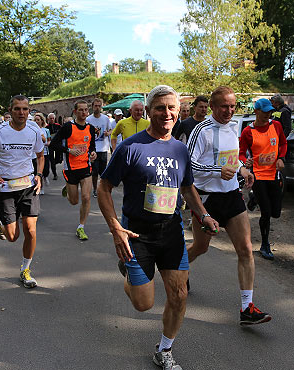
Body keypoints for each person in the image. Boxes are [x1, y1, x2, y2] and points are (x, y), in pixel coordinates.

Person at [98, 85, 219, 370]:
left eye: (171, 108)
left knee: (179, 294)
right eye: (160, 108)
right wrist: (116, 228)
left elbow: (187, 188)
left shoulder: (179, 148)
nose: (166, 113)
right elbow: (104, 188)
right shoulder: (131, 147)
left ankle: (164, 350)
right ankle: (129, 271)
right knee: (143, 304)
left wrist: (203, 215)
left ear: (179, 111)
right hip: (137, 232)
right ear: (149, 111)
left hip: (171, 230)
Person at [187, 86, 271, 325]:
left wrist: (242, 168)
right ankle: (179, 267)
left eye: (232, 106)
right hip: (206, 199)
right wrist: (217, 170)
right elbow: (189, 166)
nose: (229, 110)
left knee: (245, 249)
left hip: (232, 195)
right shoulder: (200, 130)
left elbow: (232, 158)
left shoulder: (234, 125)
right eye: (224, 106)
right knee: (200, 248)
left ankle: (247, 308)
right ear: (212, 106)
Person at [0, 95, 44, 288]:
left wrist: (39, 175)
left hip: (29, 185)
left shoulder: (34, 130)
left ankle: (25, 269)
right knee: (13, 237)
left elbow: (40, 155)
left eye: (25, 109)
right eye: (17, 109)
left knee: (30, 229)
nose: (21, 113)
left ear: (29, 111)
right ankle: (3, 224)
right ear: (10, 110)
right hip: (4, 188)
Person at [239, 99, 287, 260]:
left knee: (276, 213)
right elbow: (241, 152)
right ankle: (265, 244)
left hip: (274, 174)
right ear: (257, 111)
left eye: (270, 111)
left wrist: (281, 157)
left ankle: (253, 199)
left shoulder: (276, 126)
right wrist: (245, 162)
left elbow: (283, 144)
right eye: (265, 111)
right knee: (266, 213)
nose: (268, 114)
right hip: (258, 176)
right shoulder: (248, 132)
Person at [50, 100, 97, 241]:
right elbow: (53, 144)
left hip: (85, 166)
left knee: (86, 197)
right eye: (81, 110)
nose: (84, 113)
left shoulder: (90, 128)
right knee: (74, 201)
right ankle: (68, 188)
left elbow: (91, 146)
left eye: (86, 110)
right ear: (75, 112)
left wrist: (93, 153)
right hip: (70, 169)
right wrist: (69, 150)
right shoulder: (68, 127)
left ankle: (81, 227)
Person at [86, 98, 111, 197]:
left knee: (103, 172)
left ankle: (103, 189)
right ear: (92, 107)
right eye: (95, 106)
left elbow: (111, 130)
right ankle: (95, 189)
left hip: (103, 148)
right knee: (94, 172)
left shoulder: (105, 119)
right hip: (93, 149)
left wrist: (107, 133)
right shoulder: (89, 119)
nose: (97, 108)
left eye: (99, 106)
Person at [34, 113, 51, 194]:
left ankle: (46, 176)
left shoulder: (46, 130)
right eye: (35, 120)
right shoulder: (33, 129)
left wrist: (48, 143)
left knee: (46, 169)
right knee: (38, 171)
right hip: (36, 154)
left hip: (45, 152)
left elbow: (48, 140)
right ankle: (41, 187)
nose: (37, 121)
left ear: (42, 121)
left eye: (38, 120)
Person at [46, 113, 62, 180]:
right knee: (52, 159)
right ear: (48, 119)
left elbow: (62, 133)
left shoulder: (58, 126)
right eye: (50, 118)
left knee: (58, 159)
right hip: (50, 145)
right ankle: (55, 174)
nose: (52, 120)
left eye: (53, 118)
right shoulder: (46, 128)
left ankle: (57, 161)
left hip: (57, 144)